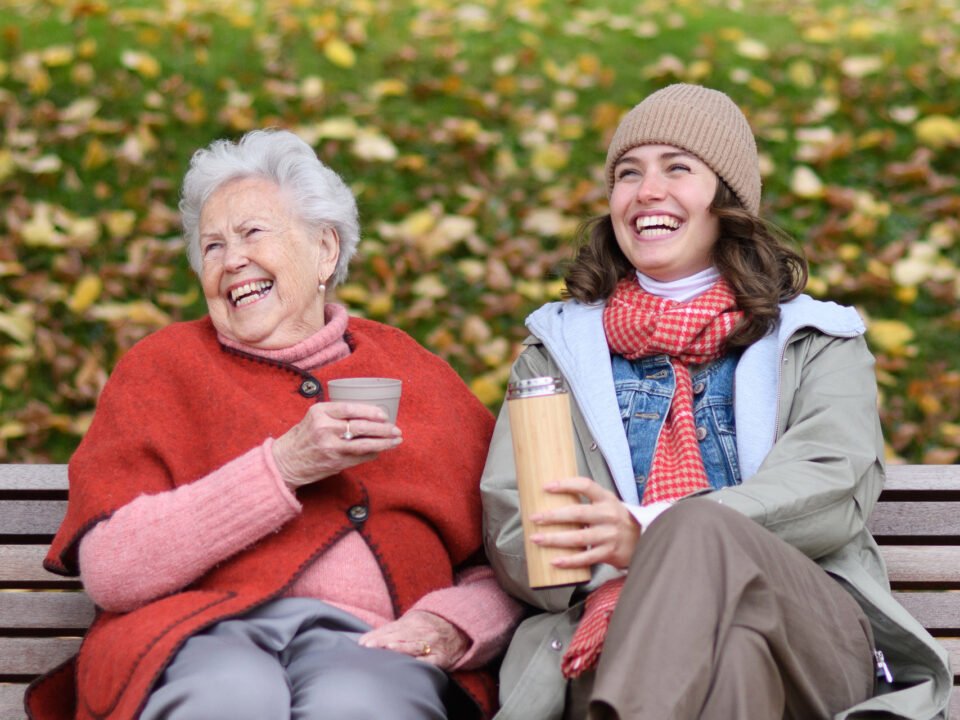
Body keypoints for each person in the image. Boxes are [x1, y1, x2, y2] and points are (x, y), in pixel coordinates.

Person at [480, 84, 951, 719]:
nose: (647, 191)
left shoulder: (817, 341)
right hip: (612, 636)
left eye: (678, 168)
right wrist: (611, 568)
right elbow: (519, 531)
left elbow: (831, 485)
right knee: (731, 655)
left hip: (810, 638)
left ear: (727, 199)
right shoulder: (554, 355)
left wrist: (649, 537)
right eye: (628, 173)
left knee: (698, 531)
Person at [26, 129, 522, 720]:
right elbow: (111, 571)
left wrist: (452, 625)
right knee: (228, 697)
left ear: (325, 251)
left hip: (373, 647)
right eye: (211, 247)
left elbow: (508, 564)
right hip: (197, 635)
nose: (232, 259)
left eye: (253, 233)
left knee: (364, 704)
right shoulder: (161, 369)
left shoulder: (418, 375)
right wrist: (282, 467)